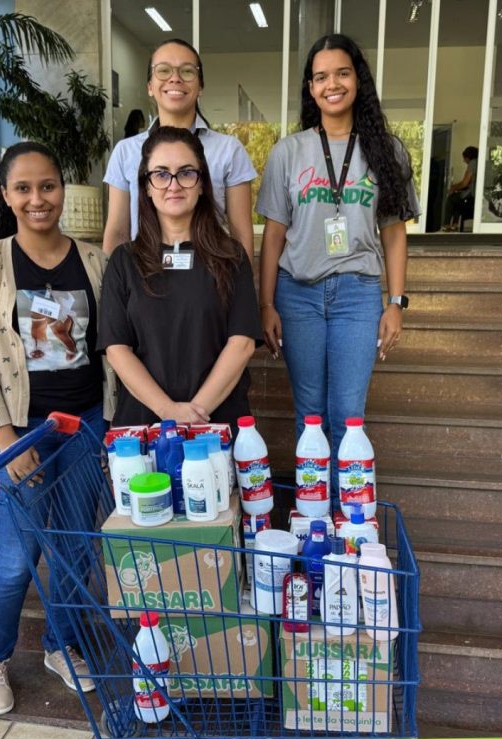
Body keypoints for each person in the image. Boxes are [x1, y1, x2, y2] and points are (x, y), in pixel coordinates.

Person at [0, 142, 116, 716]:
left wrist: (112, 432)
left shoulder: (95, 262)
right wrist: (4, 438)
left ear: (63, 190)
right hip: (20, 433)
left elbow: (110, 353)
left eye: (47, 185)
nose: (36, 198)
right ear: (6, 195)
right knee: (18, 557)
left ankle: (61, 644)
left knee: (75, 550)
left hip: (86, 427)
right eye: (22, 188)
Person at [257, 34, 419, 510]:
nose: (332, 84)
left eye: (342, 73)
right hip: (298, 294)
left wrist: (396, 303)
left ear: (358, 80)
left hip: (358, 295)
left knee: (348, 415)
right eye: (321, 76)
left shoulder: (387, 150)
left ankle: (347, 519)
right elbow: (272, 236)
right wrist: (266, 303)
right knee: (310, 415)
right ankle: (314, 516)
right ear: (310, 88)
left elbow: (394, 234)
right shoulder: (289, 152)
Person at [98, 126, 262, 435]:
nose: (173, 185)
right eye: (161, 174)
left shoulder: (231, 257)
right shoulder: (124, 261)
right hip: (142, 429)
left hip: (218, 426)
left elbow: (241, 343)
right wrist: (168, 412)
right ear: (145, 186)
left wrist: (194, 416)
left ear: (202, 183)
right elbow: (116, 348)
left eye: (186, 173)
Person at [102, 38, 257, 261]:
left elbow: (241, 233)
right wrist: (112, 289)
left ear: (200, 86)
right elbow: (118, 232)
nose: (175, 78)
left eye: (187, 71)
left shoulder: (229, 150)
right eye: (163, 70)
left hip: (211, 280)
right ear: (149, 86)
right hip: (144, 279)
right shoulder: (125, 151)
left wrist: (244, 288)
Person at [443, 146, 478, 231]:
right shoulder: (478, 162)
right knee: (457, 200)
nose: (463, 161)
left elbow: (464, 183)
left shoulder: (473, 163)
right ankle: (455, 225)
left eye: (464, 158)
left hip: (472, 196)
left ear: (468, 157)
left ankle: (447, 225)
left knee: (451, 199)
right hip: (472, 194)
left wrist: (453, 188)